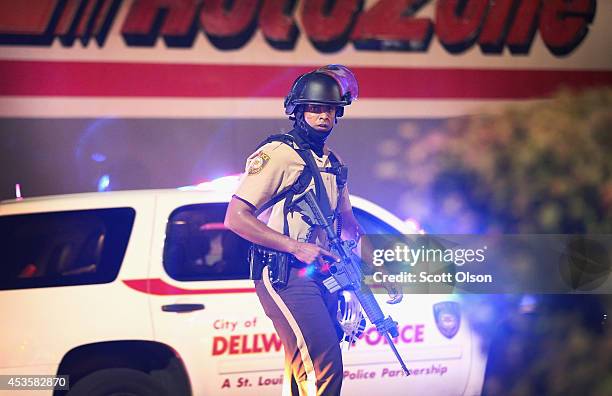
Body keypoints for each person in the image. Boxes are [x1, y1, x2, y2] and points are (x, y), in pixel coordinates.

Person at [225, 65, 401, 396]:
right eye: (316, 109)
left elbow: (348, 224)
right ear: (299, 110)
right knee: (324, 366)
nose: (324, 117)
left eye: (331, 110)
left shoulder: (332, 161)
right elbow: (235, 217)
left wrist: (378, 267)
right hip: (283, 274)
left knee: (308, 365)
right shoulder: (278, 154)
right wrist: (294, 246)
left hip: (319, 273)